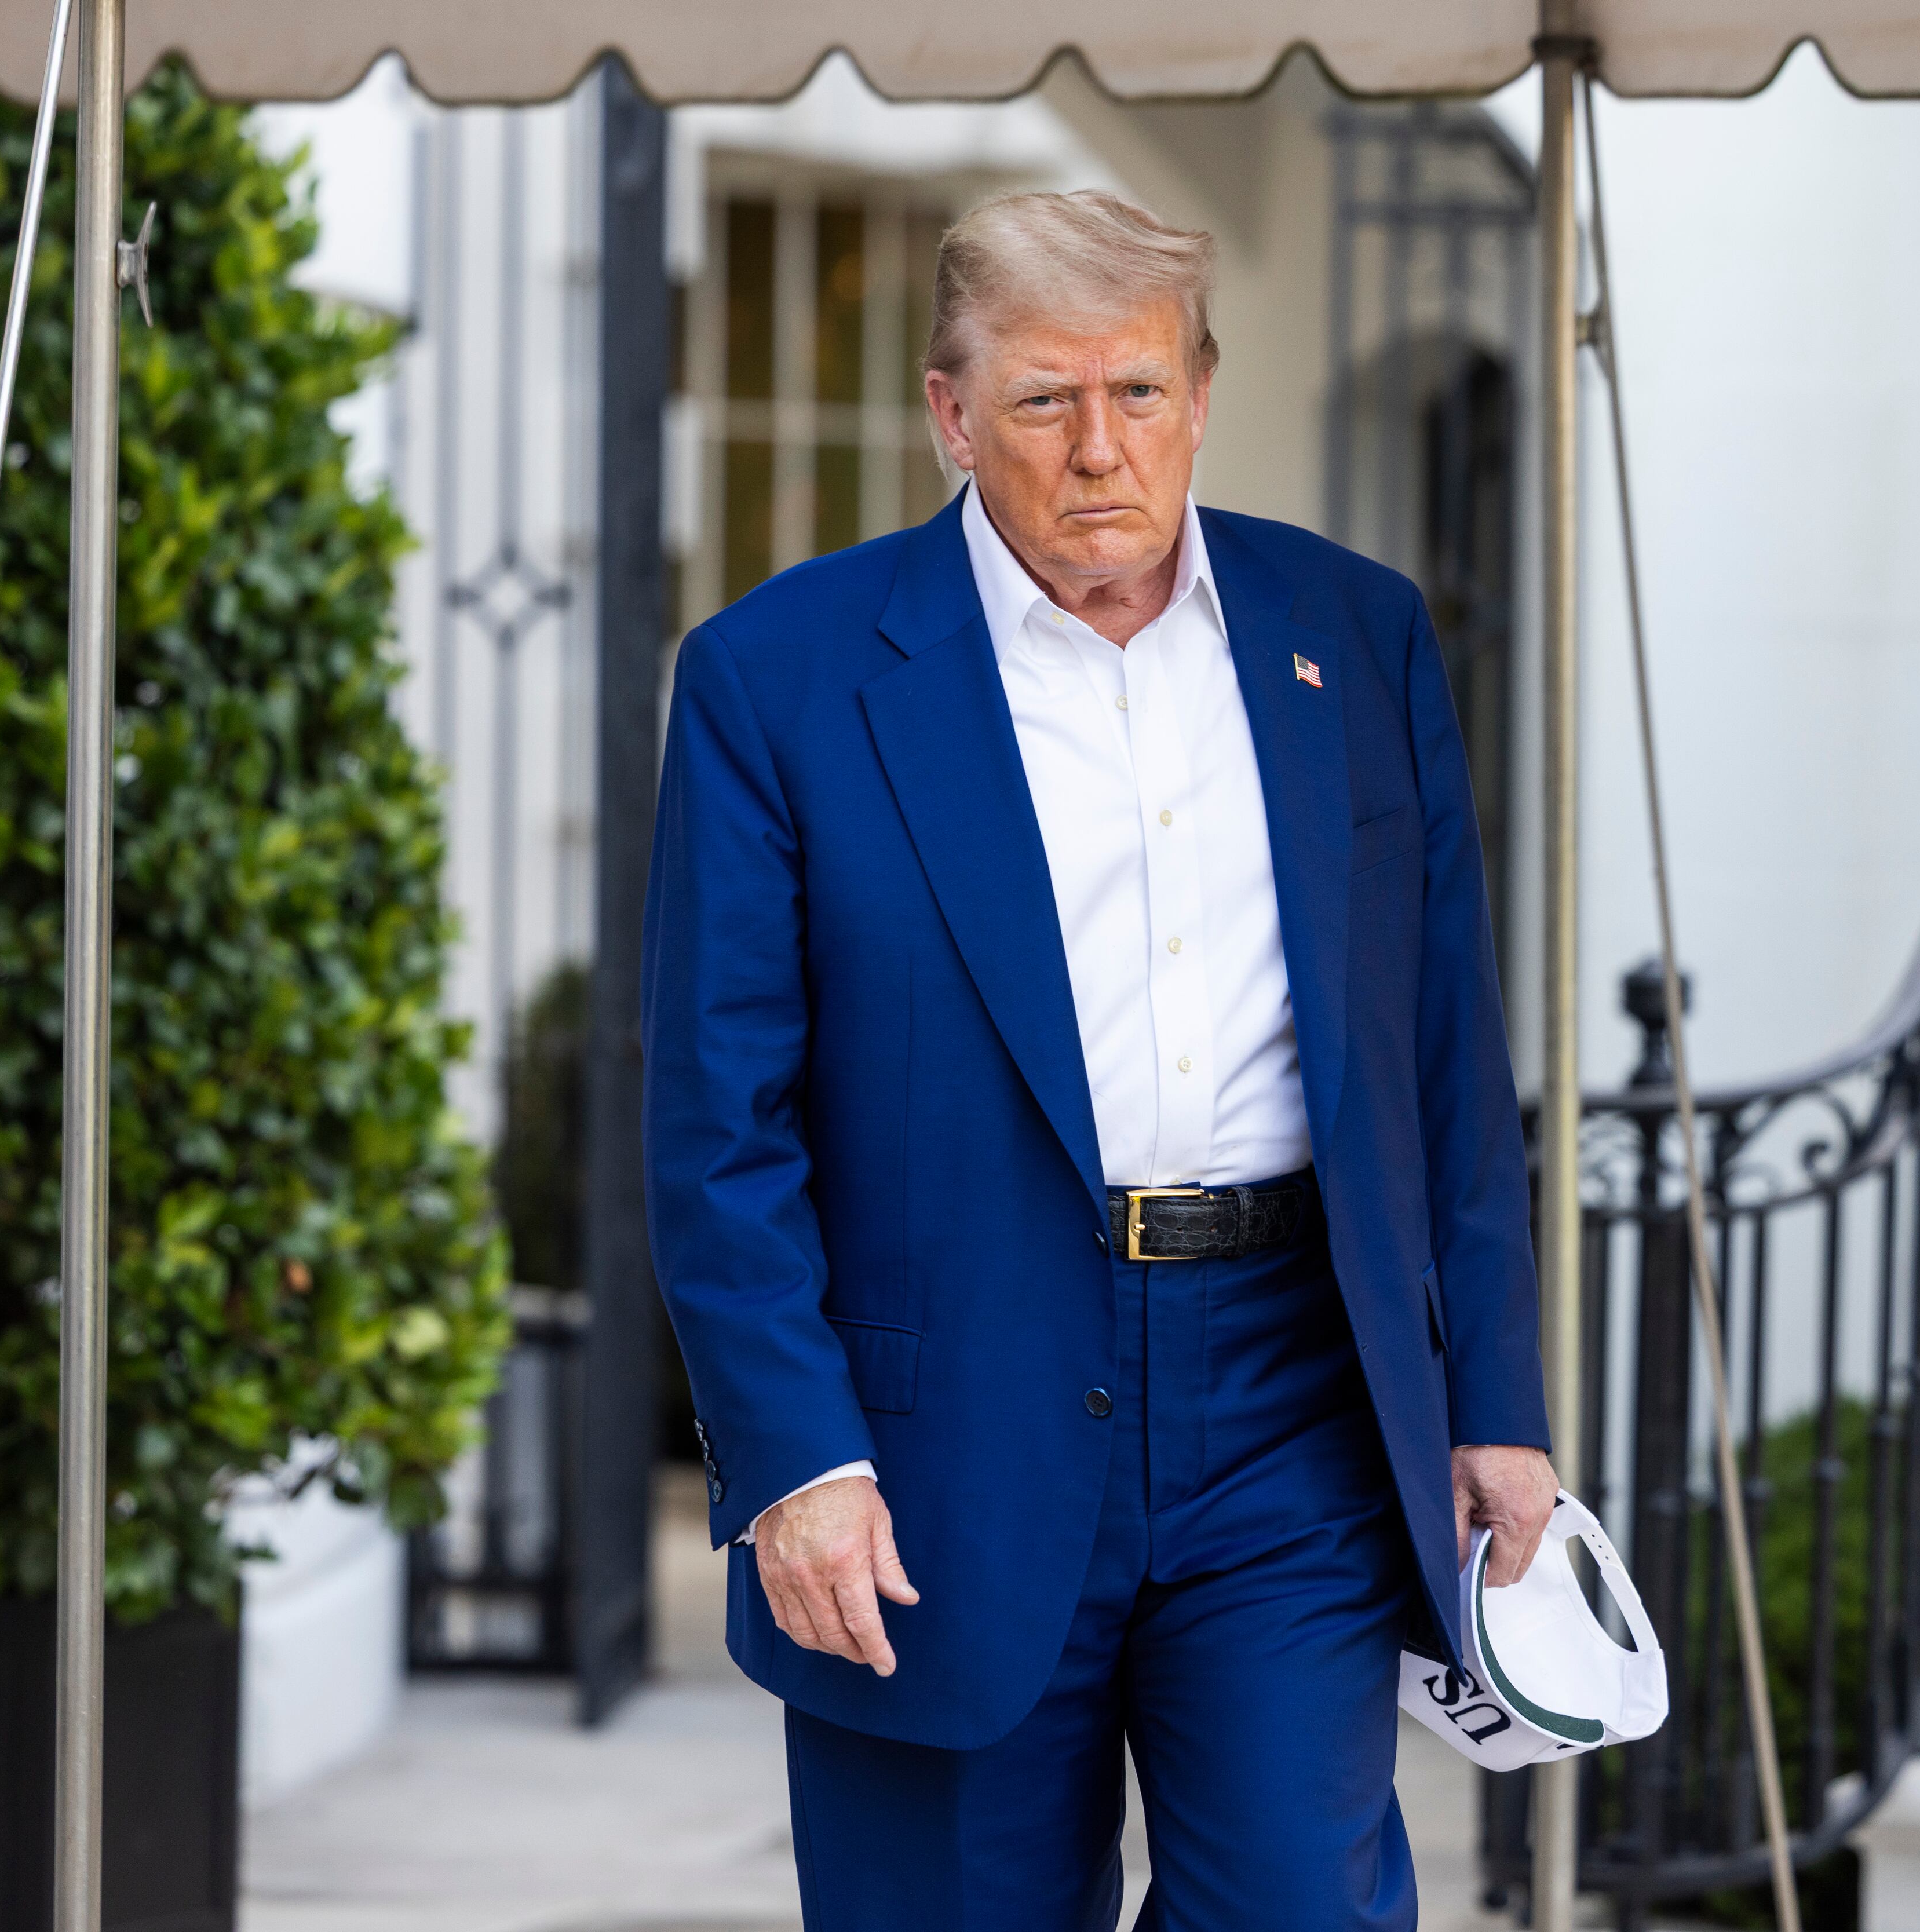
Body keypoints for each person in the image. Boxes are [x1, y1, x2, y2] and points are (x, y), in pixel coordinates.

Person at [642, 187, 1555, 1930]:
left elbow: (1442, 1053)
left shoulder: (1352, 640)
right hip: (933, 1436)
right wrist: (796, 1459)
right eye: (1046, 401)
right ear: (950, 413)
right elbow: (716, 1122)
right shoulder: (779, 677)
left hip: (1290, 1392)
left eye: (1138, 394)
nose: (1098, 450)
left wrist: (1493, 1401)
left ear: (1201, 393)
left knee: (1302, 1903)